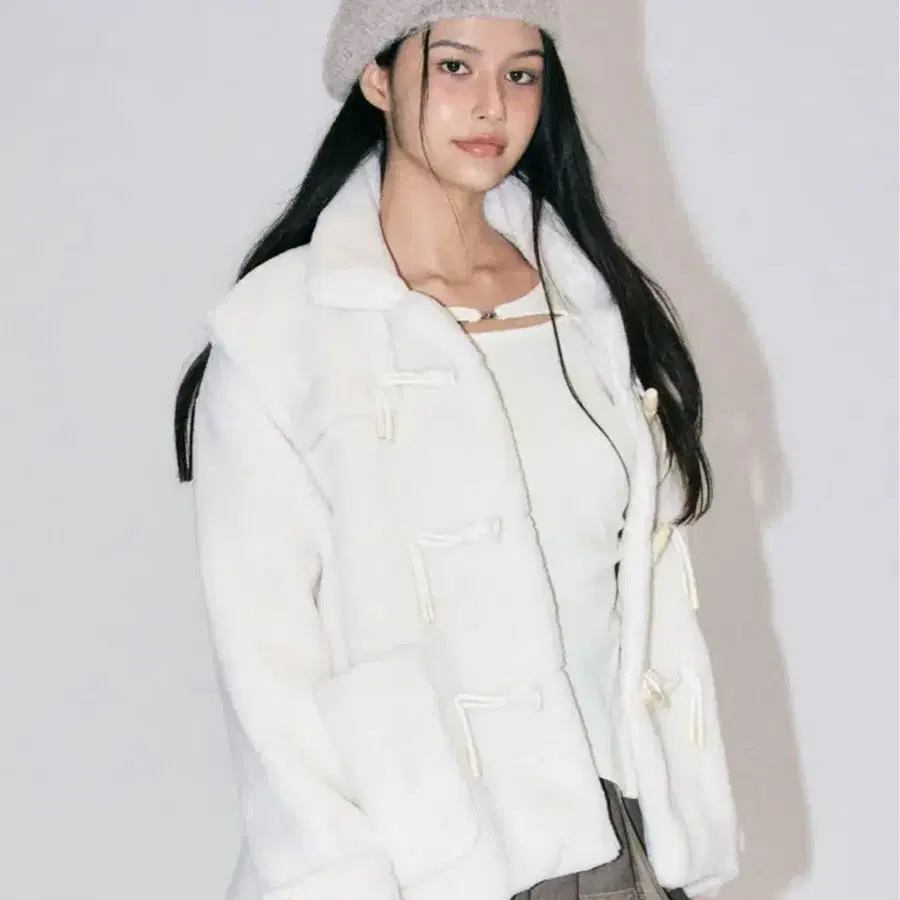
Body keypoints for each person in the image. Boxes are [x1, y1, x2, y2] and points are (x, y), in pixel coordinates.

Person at [172, 2, 740, 899]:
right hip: (427, 860)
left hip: (617, 833)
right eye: (454, 67)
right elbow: (267, 668)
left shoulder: (589, 309)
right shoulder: (281, 337)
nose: (491, 106)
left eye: (521, 74)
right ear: (378, 77)